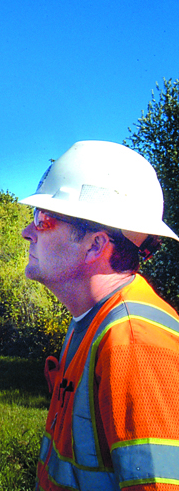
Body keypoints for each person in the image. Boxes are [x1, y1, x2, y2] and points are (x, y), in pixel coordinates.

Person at [20, 140, 179, 490]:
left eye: (43, 219)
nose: (27, 232)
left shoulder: (135, 341)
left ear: (95, 245)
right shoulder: (91, 324)